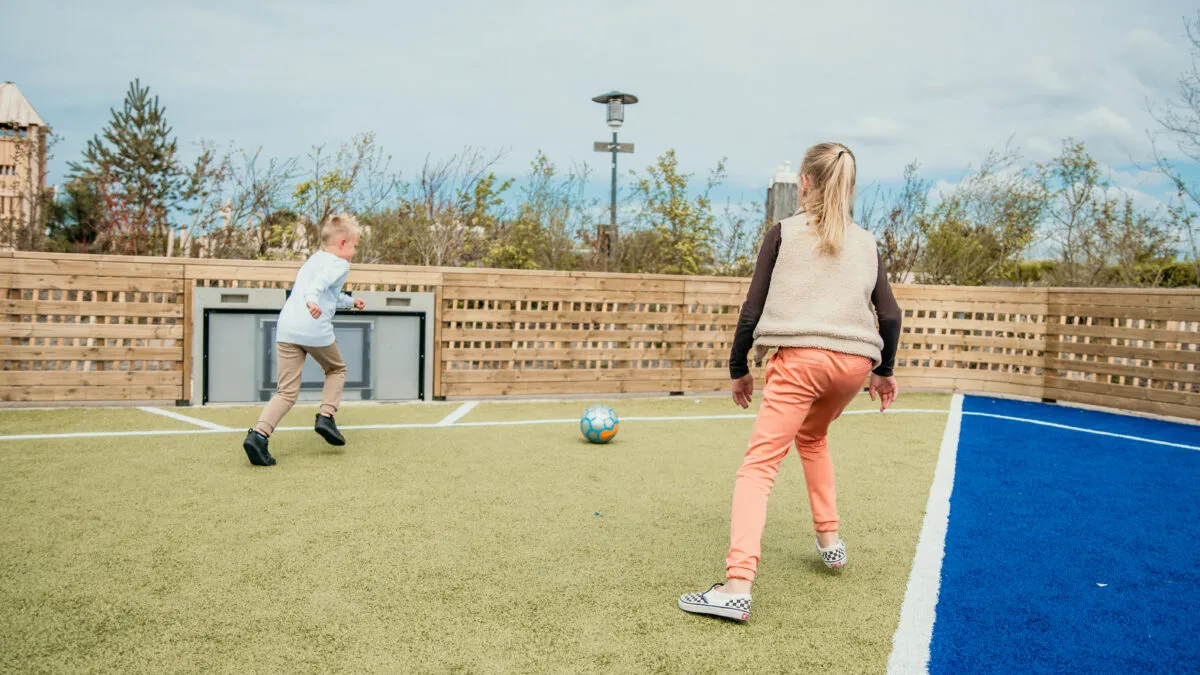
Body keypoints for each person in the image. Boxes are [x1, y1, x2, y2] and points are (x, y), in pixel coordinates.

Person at [678, 143, 903, 622]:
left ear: (805, 182)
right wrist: (882, 372)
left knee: (758, 469)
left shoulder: (783, 233)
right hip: (854, 364)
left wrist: (739, 368)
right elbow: (890, 314)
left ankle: (737, 585)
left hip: (800, 359)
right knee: (813, 437)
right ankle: (830, 541)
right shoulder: (866, 242)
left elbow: (751, 310)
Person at [241, 214, 367, 467]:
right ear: (342, 242)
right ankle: (326, 416)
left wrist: (350, 302)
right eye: (354, 246)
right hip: (313, 327)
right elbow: (318, 289)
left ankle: (258, 436)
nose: (354, 253)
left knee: (286, 392)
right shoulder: (340, 264)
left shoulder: (314, 260)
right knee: (336, 369)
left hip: (287, 328)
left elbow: (328, 293)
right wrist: (312, 301)